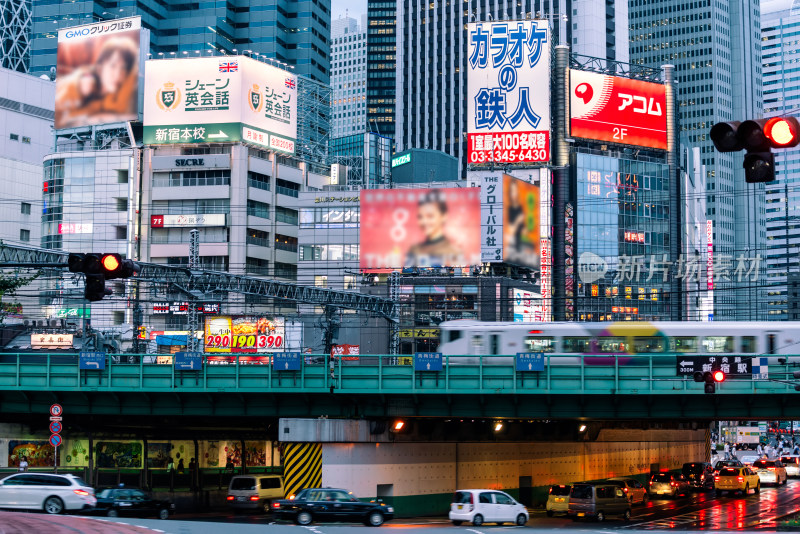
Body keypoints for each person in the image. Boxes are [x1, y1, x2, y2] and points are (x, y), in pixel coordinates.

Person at [55, 36, 139, 129]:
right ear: (100, 67)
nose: (118, 74)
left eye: (124, 68)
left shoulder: (117, 95)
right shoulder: (77, 83)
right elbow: (63, 119)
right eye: (113, 65)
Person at [405, 190, 464, 268]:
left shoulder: (453, 250)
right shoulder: (414, 249)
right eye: (421, 216)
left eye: (430, 216)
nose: (424, 221)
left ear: (443, 216)